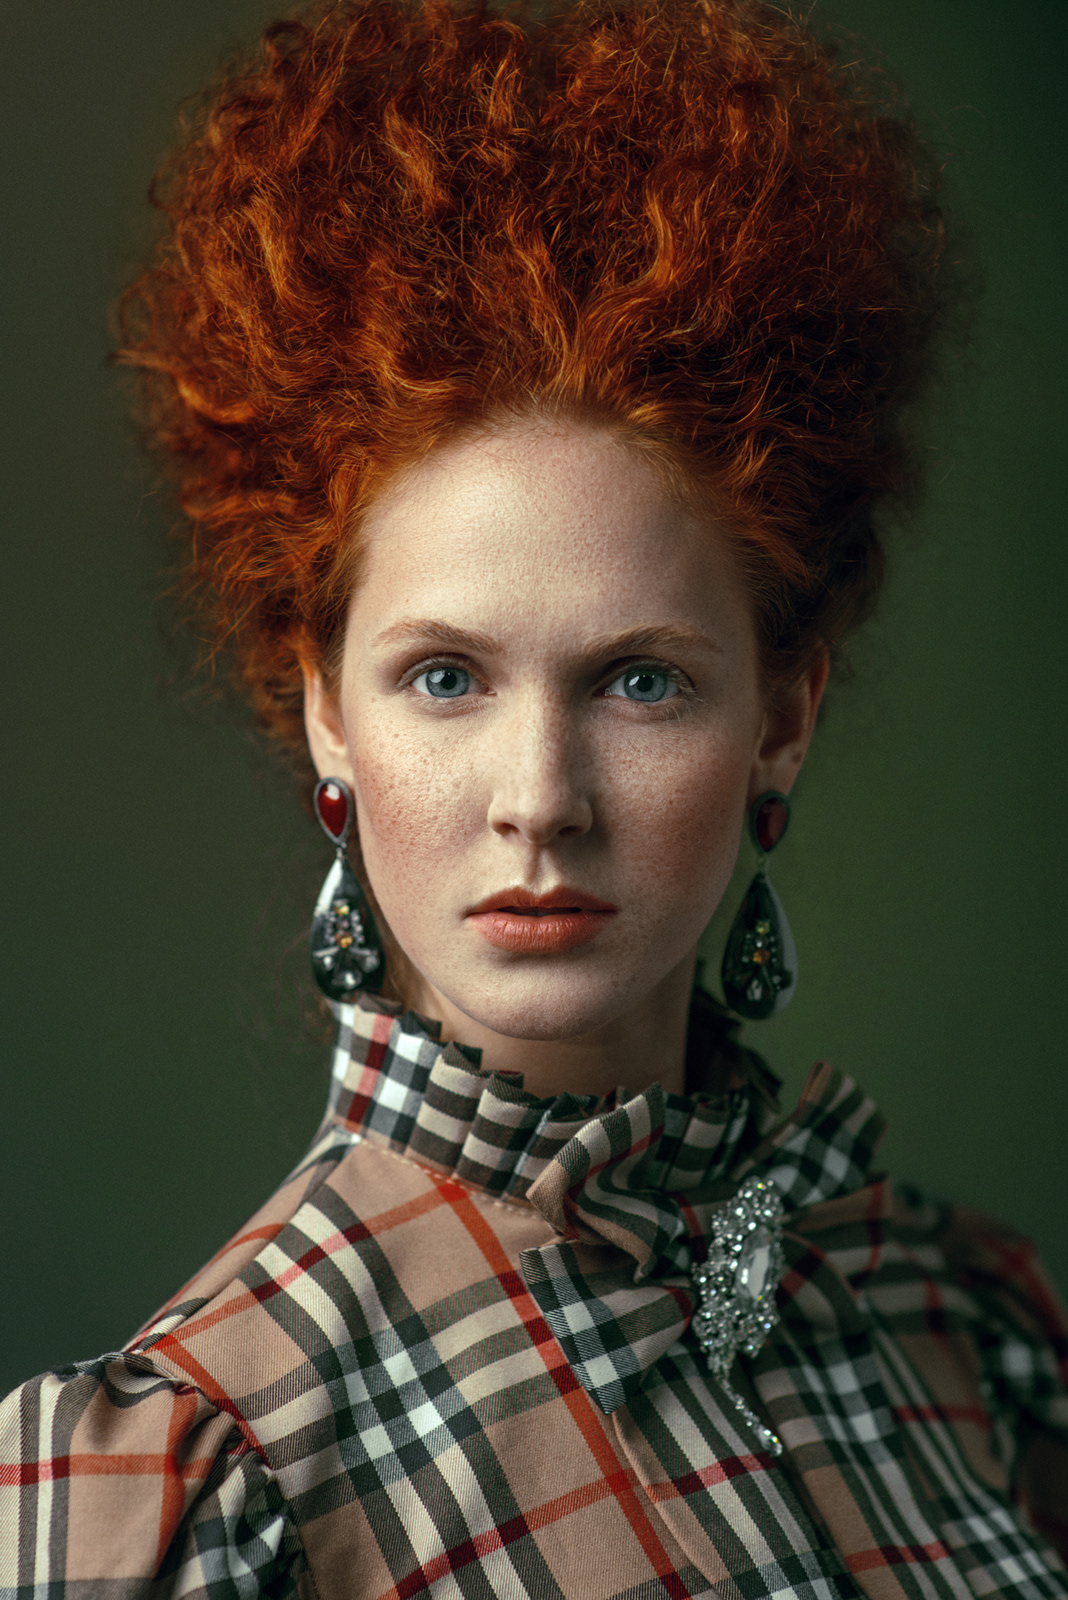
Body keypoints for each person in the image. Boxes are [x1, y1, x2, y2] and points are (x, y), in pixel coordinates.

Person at [1, 0, 1065, 1593]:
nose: (542, 800)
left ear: (784, 713)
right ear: (323, 712)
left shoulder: (955, 1316)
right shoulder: (202, 1465)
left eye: (641, 679)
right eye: (444, 678)